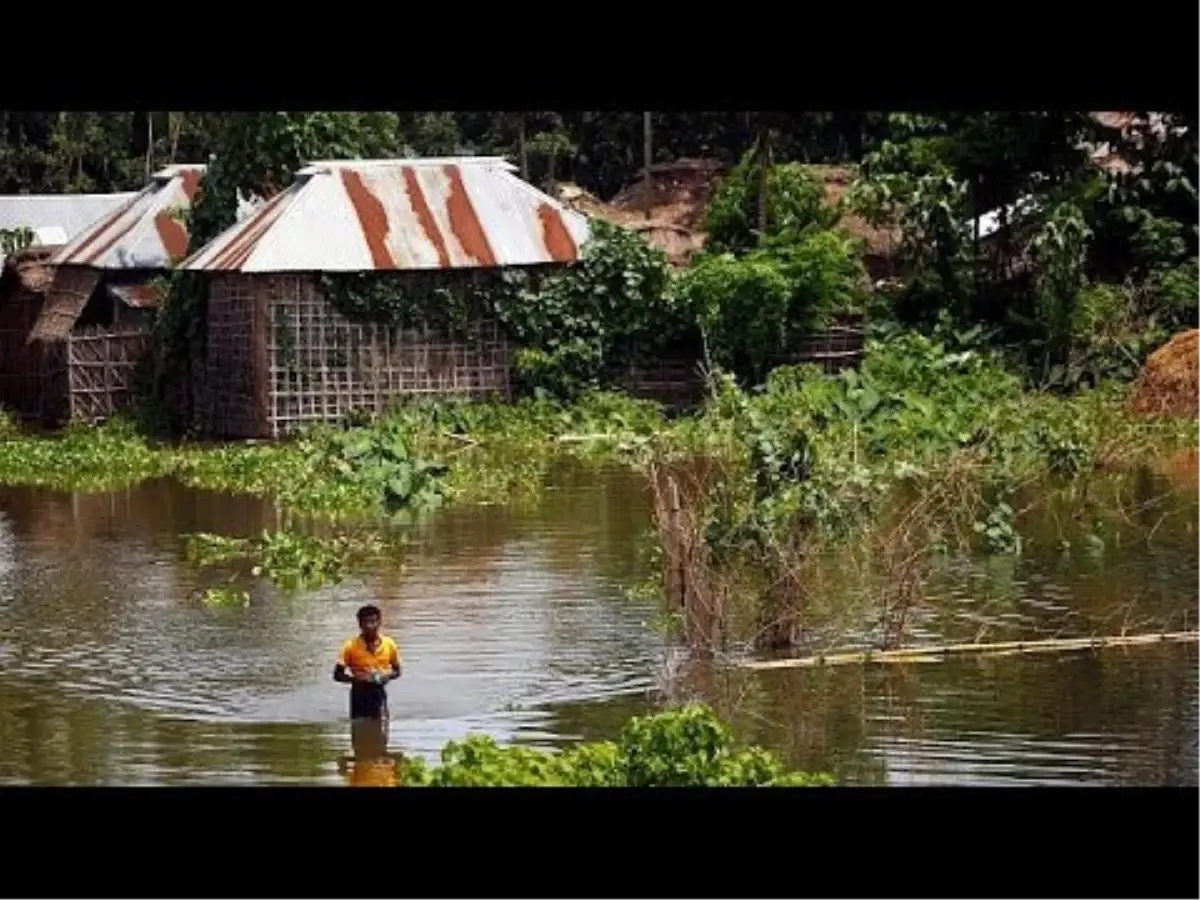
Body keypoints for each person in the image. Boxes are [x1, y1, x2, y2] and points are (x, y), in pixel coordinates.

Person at [333, 604, 402, 728]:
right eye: (366, 622)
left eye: (373, 621)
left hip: (378, 691)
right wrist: (357, 679)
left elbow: (397, 671)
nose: (370, 626)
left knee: (381, 726)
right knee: (358, 727)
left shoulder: (389, 644)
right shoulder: (350, 646)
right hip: (359, 693)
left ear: (379, 622)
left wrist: (387, 676)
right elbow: (337, 675)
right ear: (360, 624)